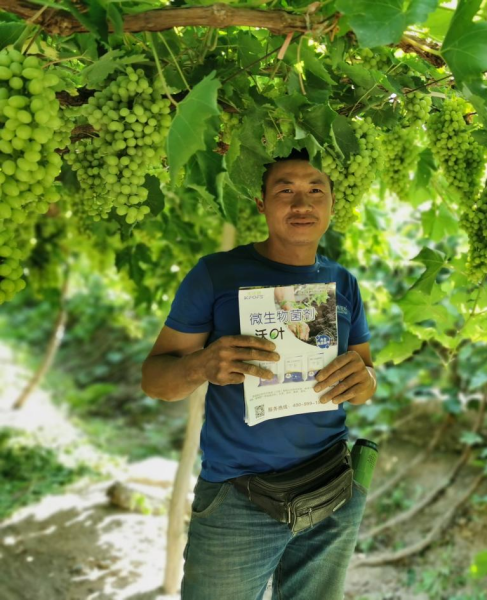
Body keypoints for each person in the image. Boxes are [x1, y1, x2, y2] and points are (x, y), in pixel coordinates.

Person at [140, 147, 378, 600]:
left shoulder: (343, 282)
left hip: (330, 489)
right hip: (238, 499)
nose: (301, 204)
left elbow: (364, 375)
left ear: (331, 203)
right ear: (262, 204)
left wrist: (368, 380)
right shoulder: (216, 274)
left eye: (315, 191)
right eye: (284, 191)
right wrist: (201, 365)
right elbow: (155, 379)